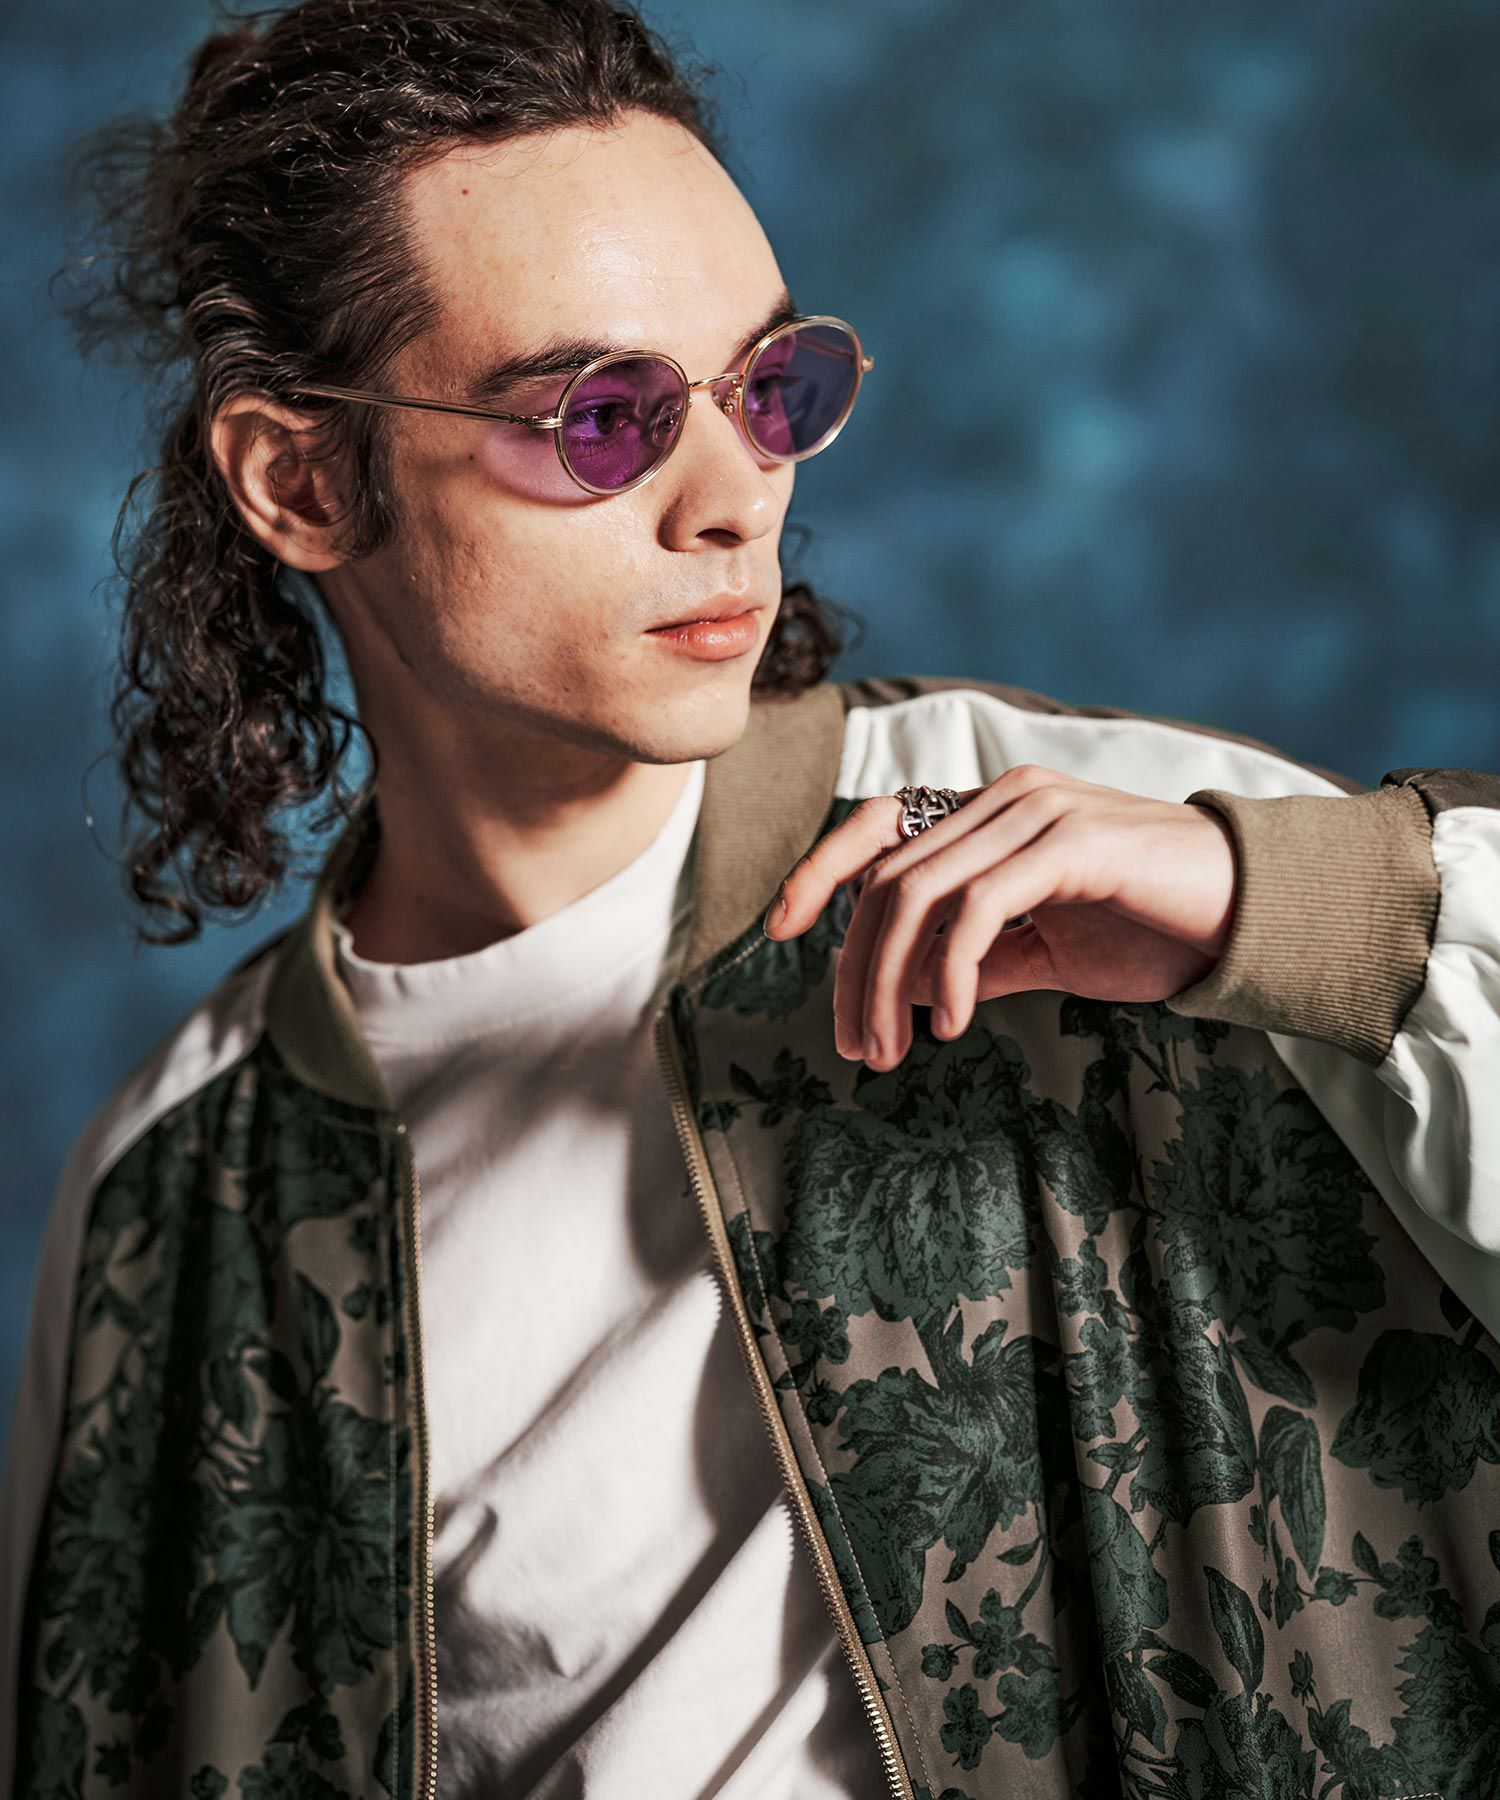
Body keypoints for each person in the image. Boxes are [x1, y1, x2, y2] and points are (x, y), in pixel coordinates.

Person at [4, 1, 1499, 1796]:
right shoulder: (182, 1194)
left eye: (770, 386)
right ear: (301, 481)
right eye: (601, 418)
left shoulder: (1099, 845)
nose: (737, 498)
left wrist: (1314, 907)